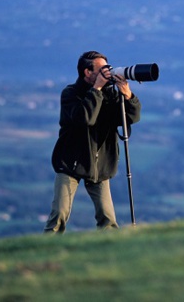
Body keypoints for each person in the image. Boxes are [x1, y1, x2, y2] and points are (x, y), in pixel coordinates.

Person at [44, 50, 141, 233]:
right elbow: (84, 118)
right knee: (59, 213)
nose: (107, 72)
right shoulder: (71, 94)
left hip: (99, 164)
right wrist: (96, 90)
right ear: (87, 72)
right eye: (102, 69)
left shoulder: (111, 95)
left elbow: (130, 118)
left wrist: (128, 96)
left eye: (108, 68)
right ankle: (47, 251)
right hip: (71, 162)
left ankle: (110, 252)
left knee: (107, 218)